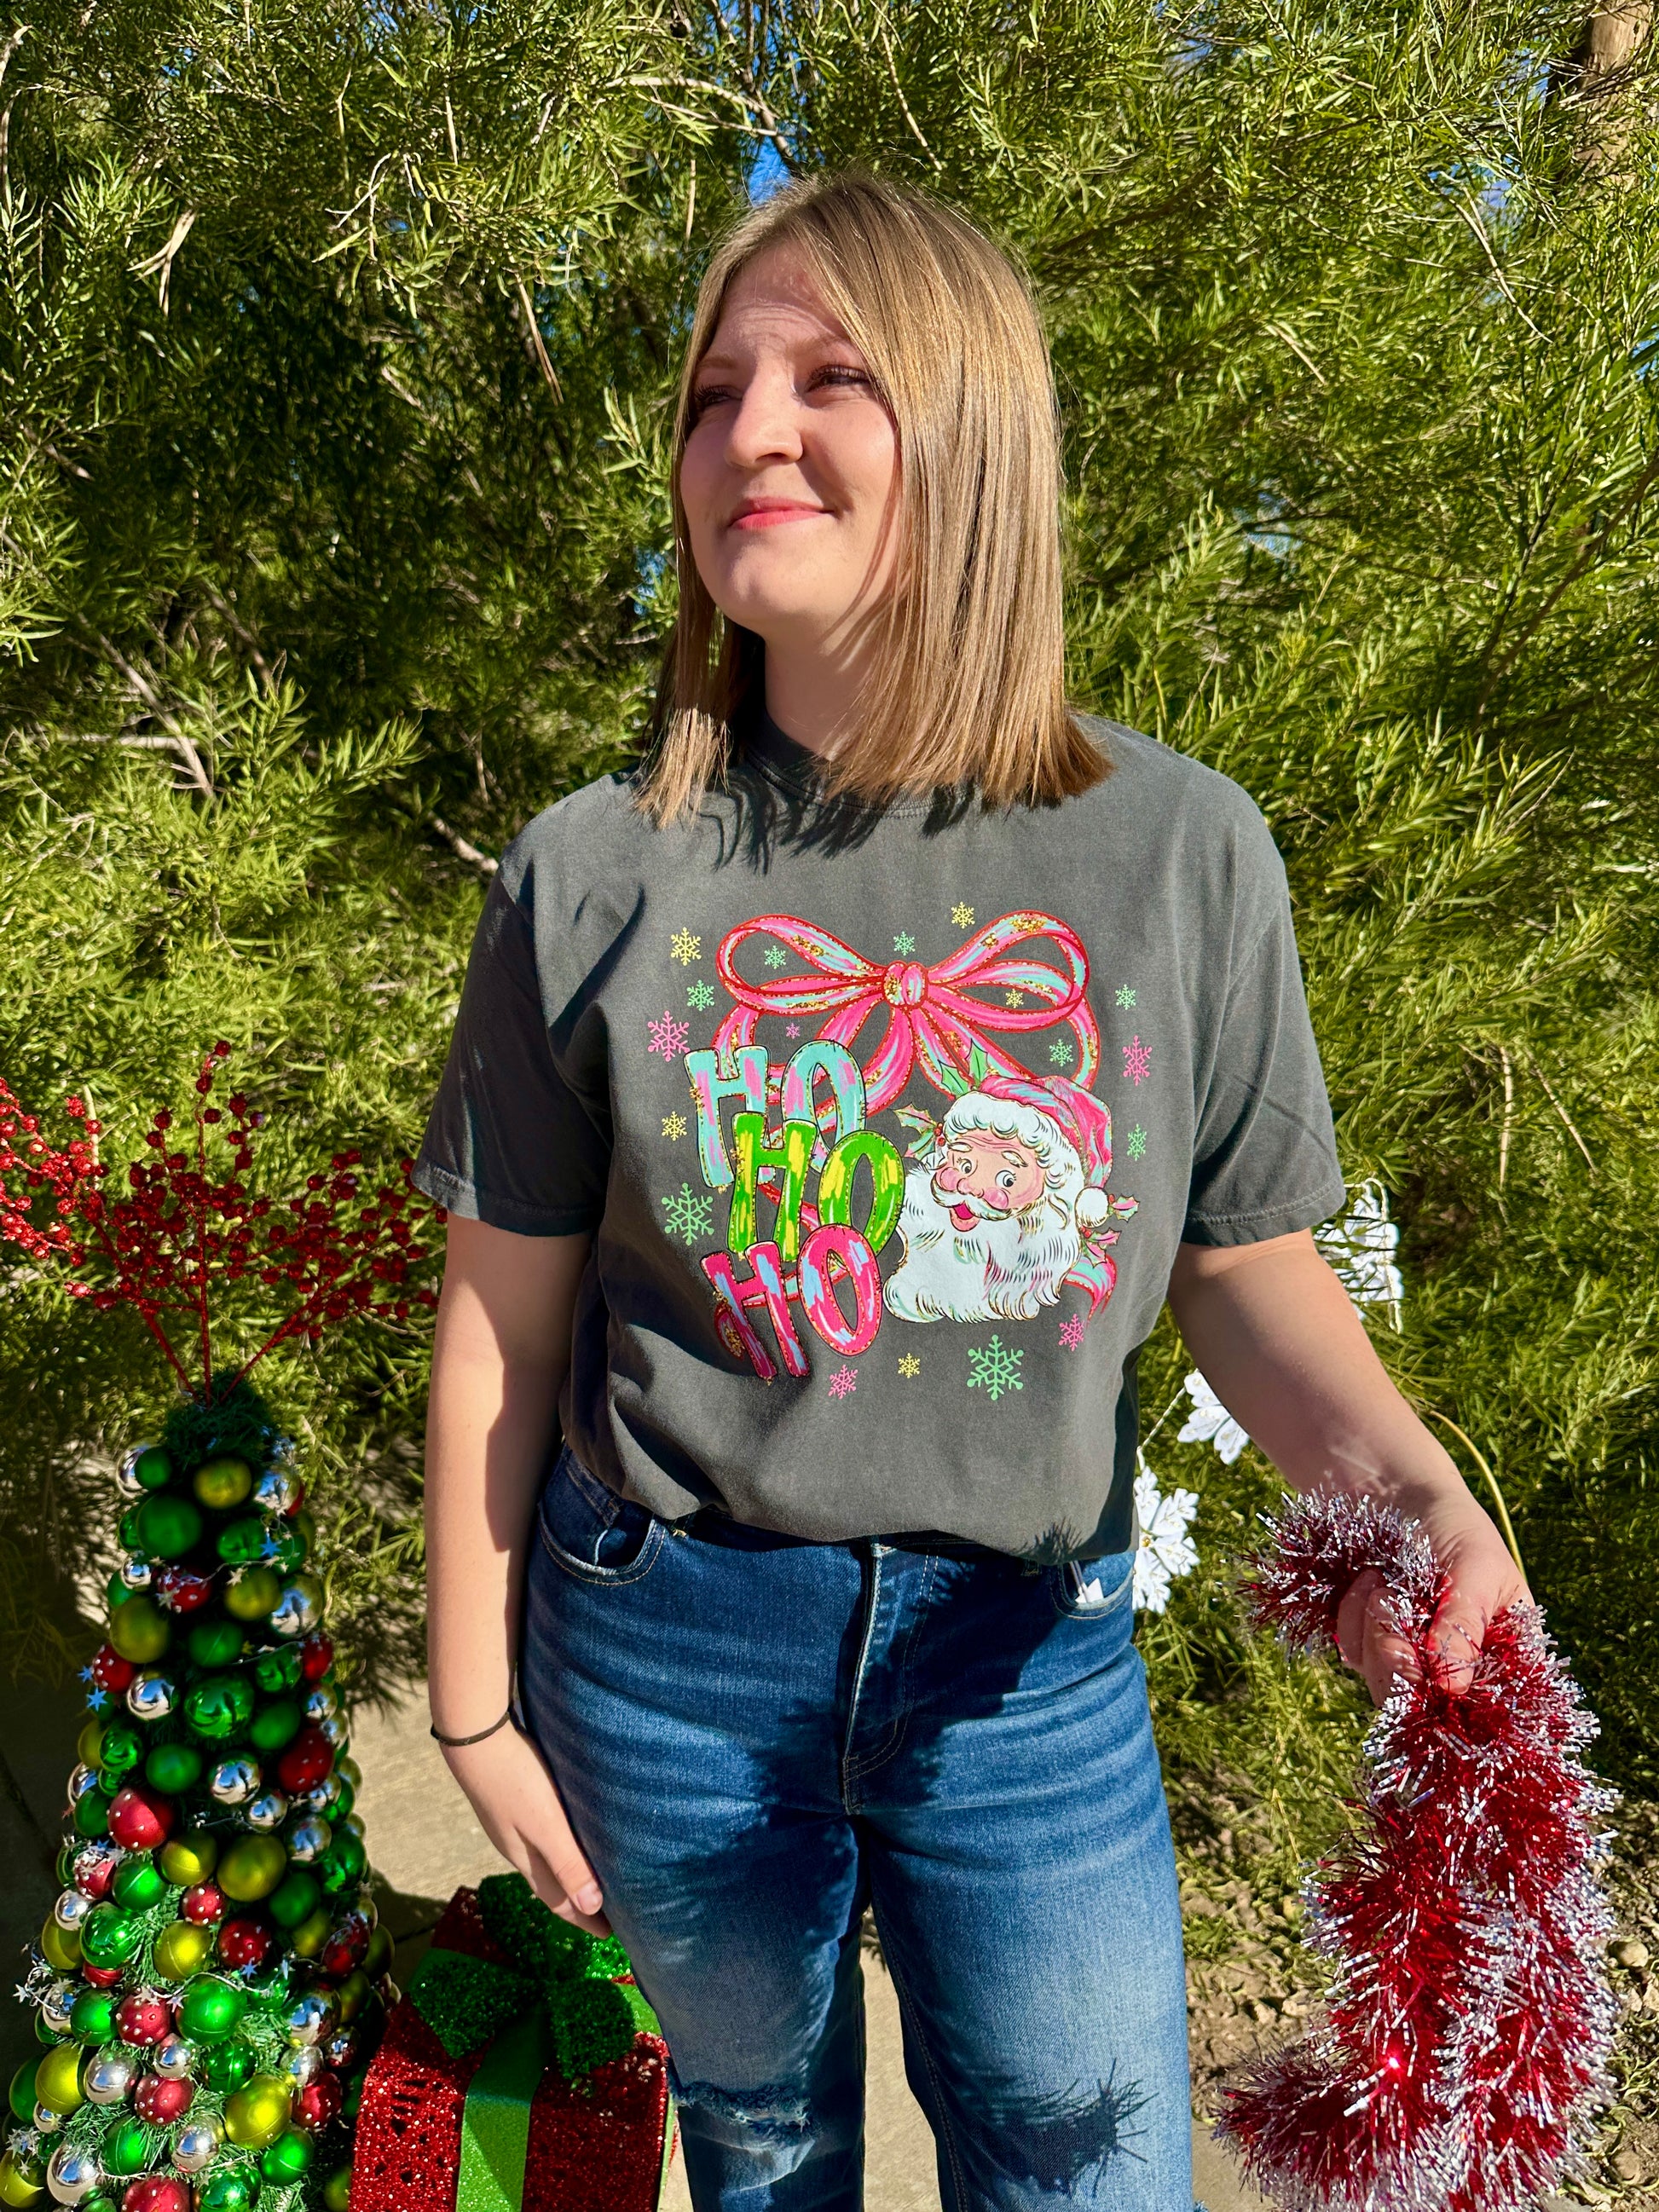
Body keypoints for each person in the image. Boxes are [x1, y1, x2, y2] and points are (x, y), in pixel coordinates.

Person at [413, 170, 1523, 2212]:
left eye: (828, 378)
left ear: (976, 426)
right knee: (761, 2143)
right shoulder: (593, 869)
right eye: (713, 392)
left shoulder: (1181, 850)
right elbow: (504, 1317)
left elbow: (1243, 1268)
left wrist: (1414, 1494)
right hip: (665, 1645)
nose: (748, 431)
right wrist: (472, 1702)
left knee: (1092, 2168)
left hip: (1027, 1667)